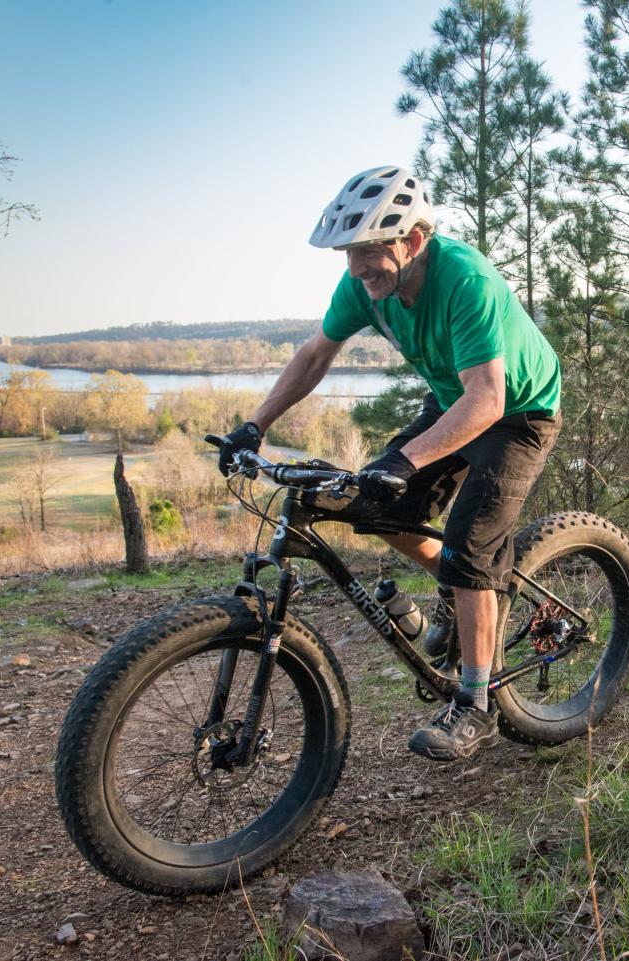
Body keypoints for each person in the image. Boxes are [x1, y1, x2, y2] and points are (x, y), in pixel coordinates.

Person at [214, 165, 562, 762]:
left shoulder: (464, 279)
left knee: (471, 547)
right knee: (376, 508)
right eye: (349, 253)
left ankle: (475, 703)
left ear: (414, 241)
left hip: (519, 411)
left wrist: (406, 458)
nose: (356, 269)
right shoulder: (363, 287)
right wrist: (256, 425)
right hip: (457, 399)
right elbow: (316, 353)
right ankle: (460, 599)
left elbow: (489, 399)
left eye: (370, 252)